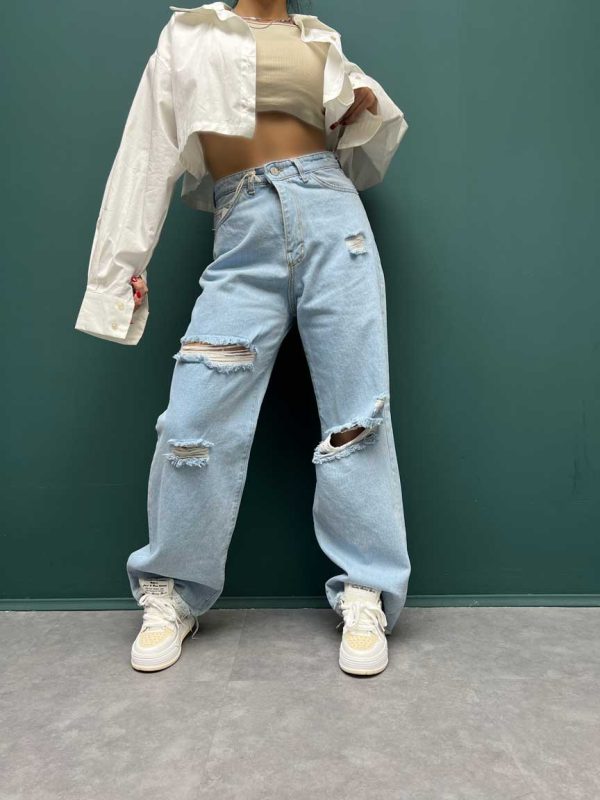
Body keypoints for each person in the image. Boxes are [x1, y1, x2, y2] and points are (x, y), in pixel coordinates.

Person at [74, 0, 412, 676]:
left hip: (334, 222)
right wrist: (115, 280)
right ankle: (172, 591)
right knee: (193, 418)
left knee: (359, 414)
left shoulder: (319, 42)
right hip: (242, 229)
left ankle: (366, 590)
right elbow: (145, 154)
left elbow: (368, 156)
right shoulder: (190, 33)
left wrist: (365, 105)